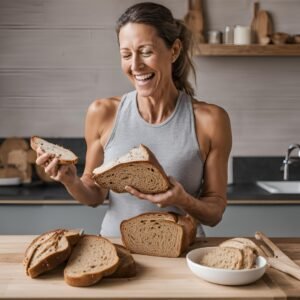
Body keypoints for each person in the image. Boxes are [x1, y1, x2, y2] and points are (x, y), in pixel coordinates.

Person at [36, 2, 232, 237]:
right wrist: (71, 180)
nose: (135, 65)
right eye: (126, 55)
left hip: (182, 254)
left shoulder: (210, 121)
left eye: (146, 52)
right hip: (117, 251)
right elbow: (95, 195)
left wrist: (184, 200)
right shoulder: (102, 113)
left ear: (175, 50)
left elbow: (215, 213)